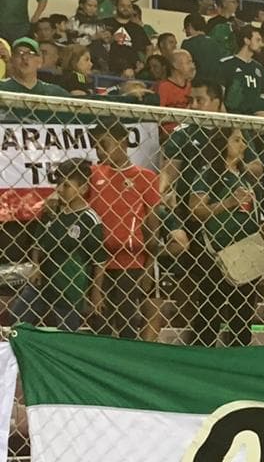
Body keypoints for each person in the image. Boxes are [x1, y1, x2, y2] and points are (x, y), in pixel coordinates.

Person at [188, 127, 264, 347]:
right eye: (236, 140)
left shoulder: (244, 176)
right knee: (209, 311)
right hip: (216, 253)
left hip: (245, 249)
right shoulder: (209, 173)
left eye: (243, 140)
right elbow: (196, 210)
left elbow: (254, 210)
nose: (242, 145)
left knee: (242, 313)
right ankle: (203, 358)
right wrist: (228, 203)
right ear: (223, 144)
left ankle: (236, 355)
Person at [9, 159, 105, 332]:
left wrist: (96, 293)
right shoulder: (52, 211)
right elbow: (38, 243)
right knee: (15, 320)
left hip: (69, 287)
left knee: (67, 332)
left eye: (66, 186)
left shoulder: (90, 220)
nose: (60, 189)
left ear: (83, 189)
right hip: (41, 282)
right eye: (59, 184)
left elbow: (99, 261)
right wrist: (36, 265)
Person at [88, 120, 162, 340]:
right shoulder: (92, 174)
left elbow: (152, 226)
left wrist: (149, 266)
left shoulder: (146, 178)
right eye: (96, 146)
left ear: (122, 142)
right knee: (98, 321)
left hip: (130, 262)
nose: (99, 150)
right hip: (95, 260)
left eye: (104, 144)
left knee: (127, 320)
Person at [219, 24, 264, 115]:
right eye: (258, 40)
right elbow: (218, 98)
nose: (261, 44)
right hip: (231, 120)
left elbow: (260, 99)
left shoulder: (259, 68)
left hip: (252, 122)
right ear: (247, 40)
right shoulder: (226, 64)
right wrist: (229, 124)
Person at [0, 36, 69, 96]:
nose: (24, 57)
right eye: (19, 53)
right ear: (12, 60)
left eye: (30, 53)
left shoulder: (54, 93)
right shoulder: (2, 87)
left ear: (40, 61)